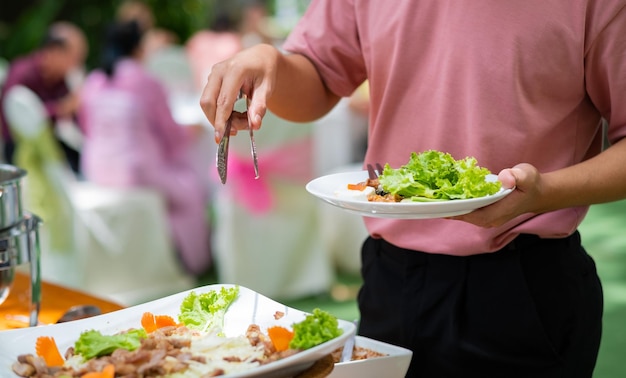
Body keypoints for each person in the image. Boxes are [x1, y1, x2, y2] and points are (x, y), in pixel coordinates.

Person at [199, 1, 626, 377]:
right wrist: (269, 62)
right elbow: (319, 79)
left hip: (524, 286)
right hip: (392, 278)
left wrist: (545, 191)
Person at [78, 21, 211, 277]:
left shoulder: (94, 81)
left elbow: (87, 128)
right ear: (139, 48)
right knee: (191, 190)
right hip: (136, 172)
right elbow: (172, 134)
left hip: (95, 168)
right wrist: (190, 132)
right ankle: (193, 262)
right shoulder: (146, 81)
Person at [0, 21, 87, 173]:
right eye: (75, 58)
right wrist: (59, 109)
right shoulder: (22, 73)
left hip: (48, 143)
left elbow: (73, 114)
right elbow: (12, 121)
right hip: (20, 147)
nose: (77, 65)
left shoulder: (60, 79)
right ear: (54, 51)